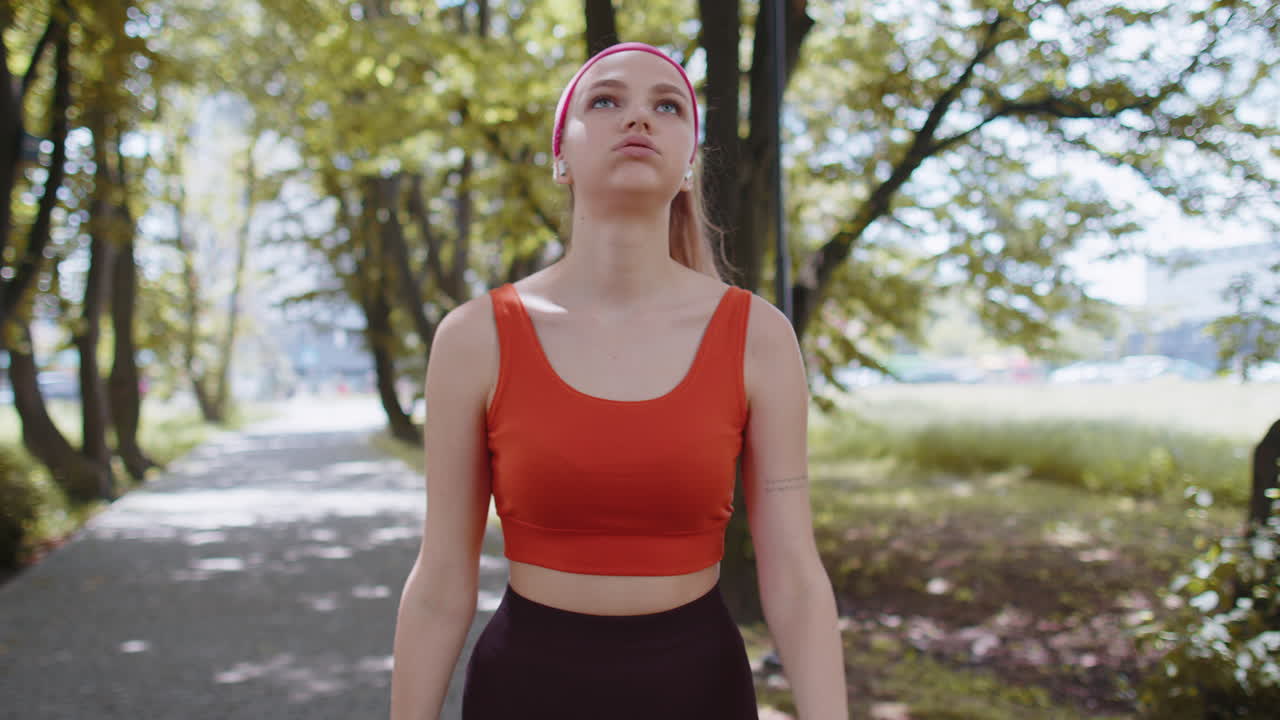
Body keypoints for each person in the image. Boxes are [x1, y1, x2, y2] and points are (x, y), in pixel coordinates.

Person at [390, 41, 849, 720]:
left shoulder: (759, 337)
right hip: (523, 692)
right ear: (561, 154)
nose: (638, 119)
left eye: (666, 106)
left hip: (701, 692)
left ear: (689, 160)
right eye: (606, 101)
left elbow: (796, 577)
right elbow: (440, 582)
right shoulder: (474, 337)